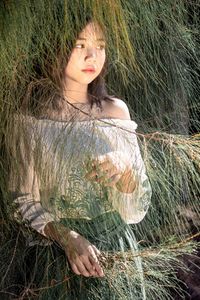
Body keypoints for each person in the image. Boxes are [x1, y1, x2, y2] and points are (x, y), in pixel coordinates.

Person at [10, 21, 152, 299]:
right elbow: (21, 202)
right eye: (80, 45)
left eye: (100, 46)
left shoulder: (116, 111)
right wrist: (68, 237)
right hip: (57, 257)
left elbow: (136, 210)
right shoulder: (27, 121)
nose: (93, 56)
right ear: (53, 48)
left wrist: (126, 176)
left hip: (115, 251)